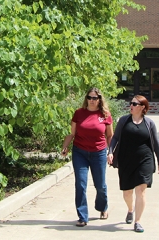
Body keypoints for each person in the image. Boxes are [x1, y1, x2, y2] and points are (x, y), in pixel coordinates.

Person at [108, 95, 159, 233]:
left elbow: (155, 143)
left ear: (142, 107)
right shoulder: (123, 121)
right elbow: (115, 138)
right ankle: (130, 209)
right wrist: (110, 152)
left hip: (145, 160)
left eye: (134, 104)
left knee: (141, 191)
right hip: (126, 160)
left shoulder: (149, 123)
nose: (131, 105)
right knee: (127, 193)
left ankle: (138, 221)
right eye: (131, 103)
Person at [61, 87, 113, 227]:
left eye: (94, 98)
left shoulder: (105, 114)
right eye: (89, 98)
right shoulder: (79, 113)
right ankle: (83, 216)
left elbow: (110, 136)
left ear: (99, 99)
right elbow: (72, 133)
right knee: (80, 184)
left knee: (100, 185)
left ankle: (103, 207)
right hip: (80, 153)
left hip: (99, 152)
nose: (91, 101)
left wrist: (111, 151)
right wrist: (65, 146)